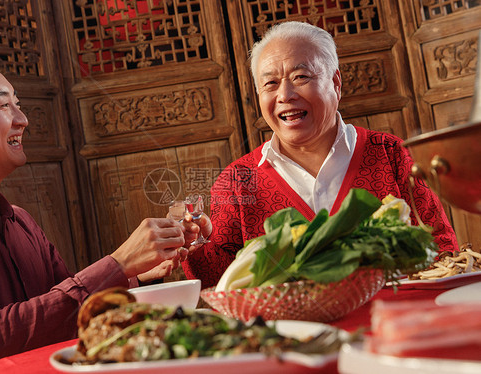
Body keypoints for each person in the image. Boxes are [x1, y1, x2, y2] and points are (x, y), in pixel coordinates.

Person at [0, 46, 200, 373]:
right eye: (4, 105)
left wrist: (137, 272)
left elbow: (69, 315)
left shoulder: (19, 220)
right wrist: (117, 264)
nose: (22, 120)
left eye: (18, 104)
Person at [182, 21, 458, 289]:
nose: (285, 95)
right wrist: (193, 244)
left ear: (336, 82)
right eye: (270, 84)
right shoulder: (236, 181)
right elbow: (220, 285)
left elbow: (442, 251)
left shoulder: (391, 155)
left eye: (300, 77)